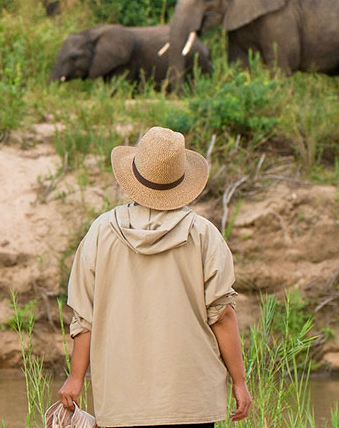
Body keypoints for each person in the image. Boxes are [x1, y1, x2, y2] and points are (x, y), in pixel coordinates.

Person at [58, 126, 255, 427]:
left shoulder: (101, 232)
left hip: (122, 401)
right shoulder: (203, 234)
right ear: (182, 181)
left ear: (133, 177)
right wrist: (239, 381)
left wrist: (75, 378)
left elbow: (84, 318)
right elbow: (222, 315)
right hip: (191, 399)